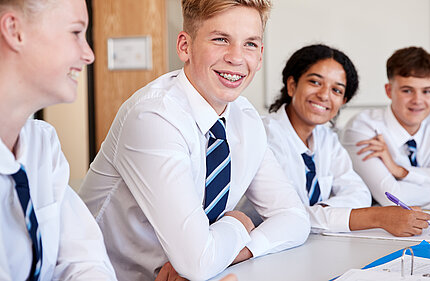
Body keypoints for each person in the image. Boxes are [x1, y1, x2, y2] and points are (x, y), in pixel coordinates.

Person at [78, 0, 310, 280]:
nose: (236, 58)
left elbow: (296, 218)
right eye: (221, 39)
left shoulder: (246, 119)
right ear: (185, 46)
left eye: (249, 44)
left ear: (260, 55)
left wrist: (239, 251)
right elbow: (197, 262)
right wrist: (239, 221)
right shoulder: (154, 116)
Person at [0, 0, 117, 279]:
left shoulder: (42, 146)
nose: (89, 55)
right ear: (15, 30)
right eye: (76, 33)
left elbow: (83, 261)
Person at [263, 44, 430, 237]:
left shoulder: (327, 139)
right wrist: (376, 217)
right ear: (292, 85)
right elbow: (285, 216)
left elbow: (359, 194)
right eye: (315, 82)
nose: (324, 95)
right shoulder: (265, 136)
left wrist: (322, 212)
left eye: (336, 90)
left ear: (343, 101)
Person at [341, 46, 430, 206]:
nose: (418, 100)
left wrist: (401, 171)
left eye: (426, 91)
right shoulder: (363, 127)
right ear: (389, 90)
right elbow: (393, 198)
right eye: (407, 90)